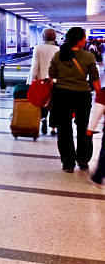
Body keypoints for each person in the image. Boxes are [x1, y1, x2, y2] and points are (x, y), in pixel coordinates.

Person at [48, 27, 100, 173]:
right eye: (84, 38)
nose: (85, 40)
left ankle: (68, 163)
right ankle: (83, 159)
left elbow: (51, 75)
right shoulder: (89, 57)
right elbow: (95, 79)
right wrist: (100, 96)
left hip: (62, 96)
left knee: (64, 129)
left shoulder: (58, 55)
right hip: (82, 96)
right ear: (79, 40)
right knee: (83, 127)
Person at [27, 28, 60, 135]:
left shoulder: (38, 48)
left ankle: (43, 119)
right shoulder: (58, 50)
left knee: (42, 102)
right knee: (54, 104)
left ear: (43, 37)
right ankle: (53, 128)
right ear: (55, 37)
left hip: (41, 81)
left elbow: (34, 67)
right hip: (55, 82)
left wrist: (32, 82)